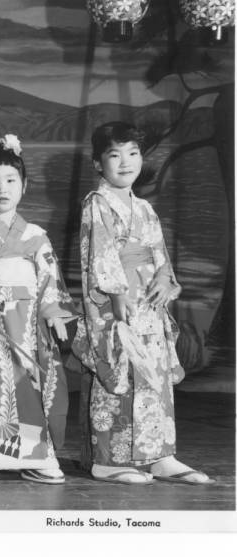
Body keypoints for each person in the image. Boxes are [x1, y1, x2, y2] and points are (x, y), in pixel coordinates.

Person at [72, 122, 213, 485]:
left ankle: (159, 455)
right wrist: (115, 295)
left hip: (147, 303)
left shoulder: (145, 209)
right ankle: (108, 460)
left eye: (132, 153)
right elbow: (98, 256)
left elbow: (159, 256)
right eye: (114, 154)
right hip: (115, 303)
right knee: (118, 373)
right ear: (97, 163)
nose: (125, 162)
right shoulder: (96, 204)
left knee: (154, 377)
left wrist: (166, 280)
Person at [0, 134, 77, 484]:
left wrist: (53, 312)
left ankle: (37, 454)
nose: (2, 188)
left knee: (31, 383)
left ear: (24, 186)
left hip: (28, 321)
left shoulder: (36, 235)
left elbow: (49, 276)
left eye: (10, 180)